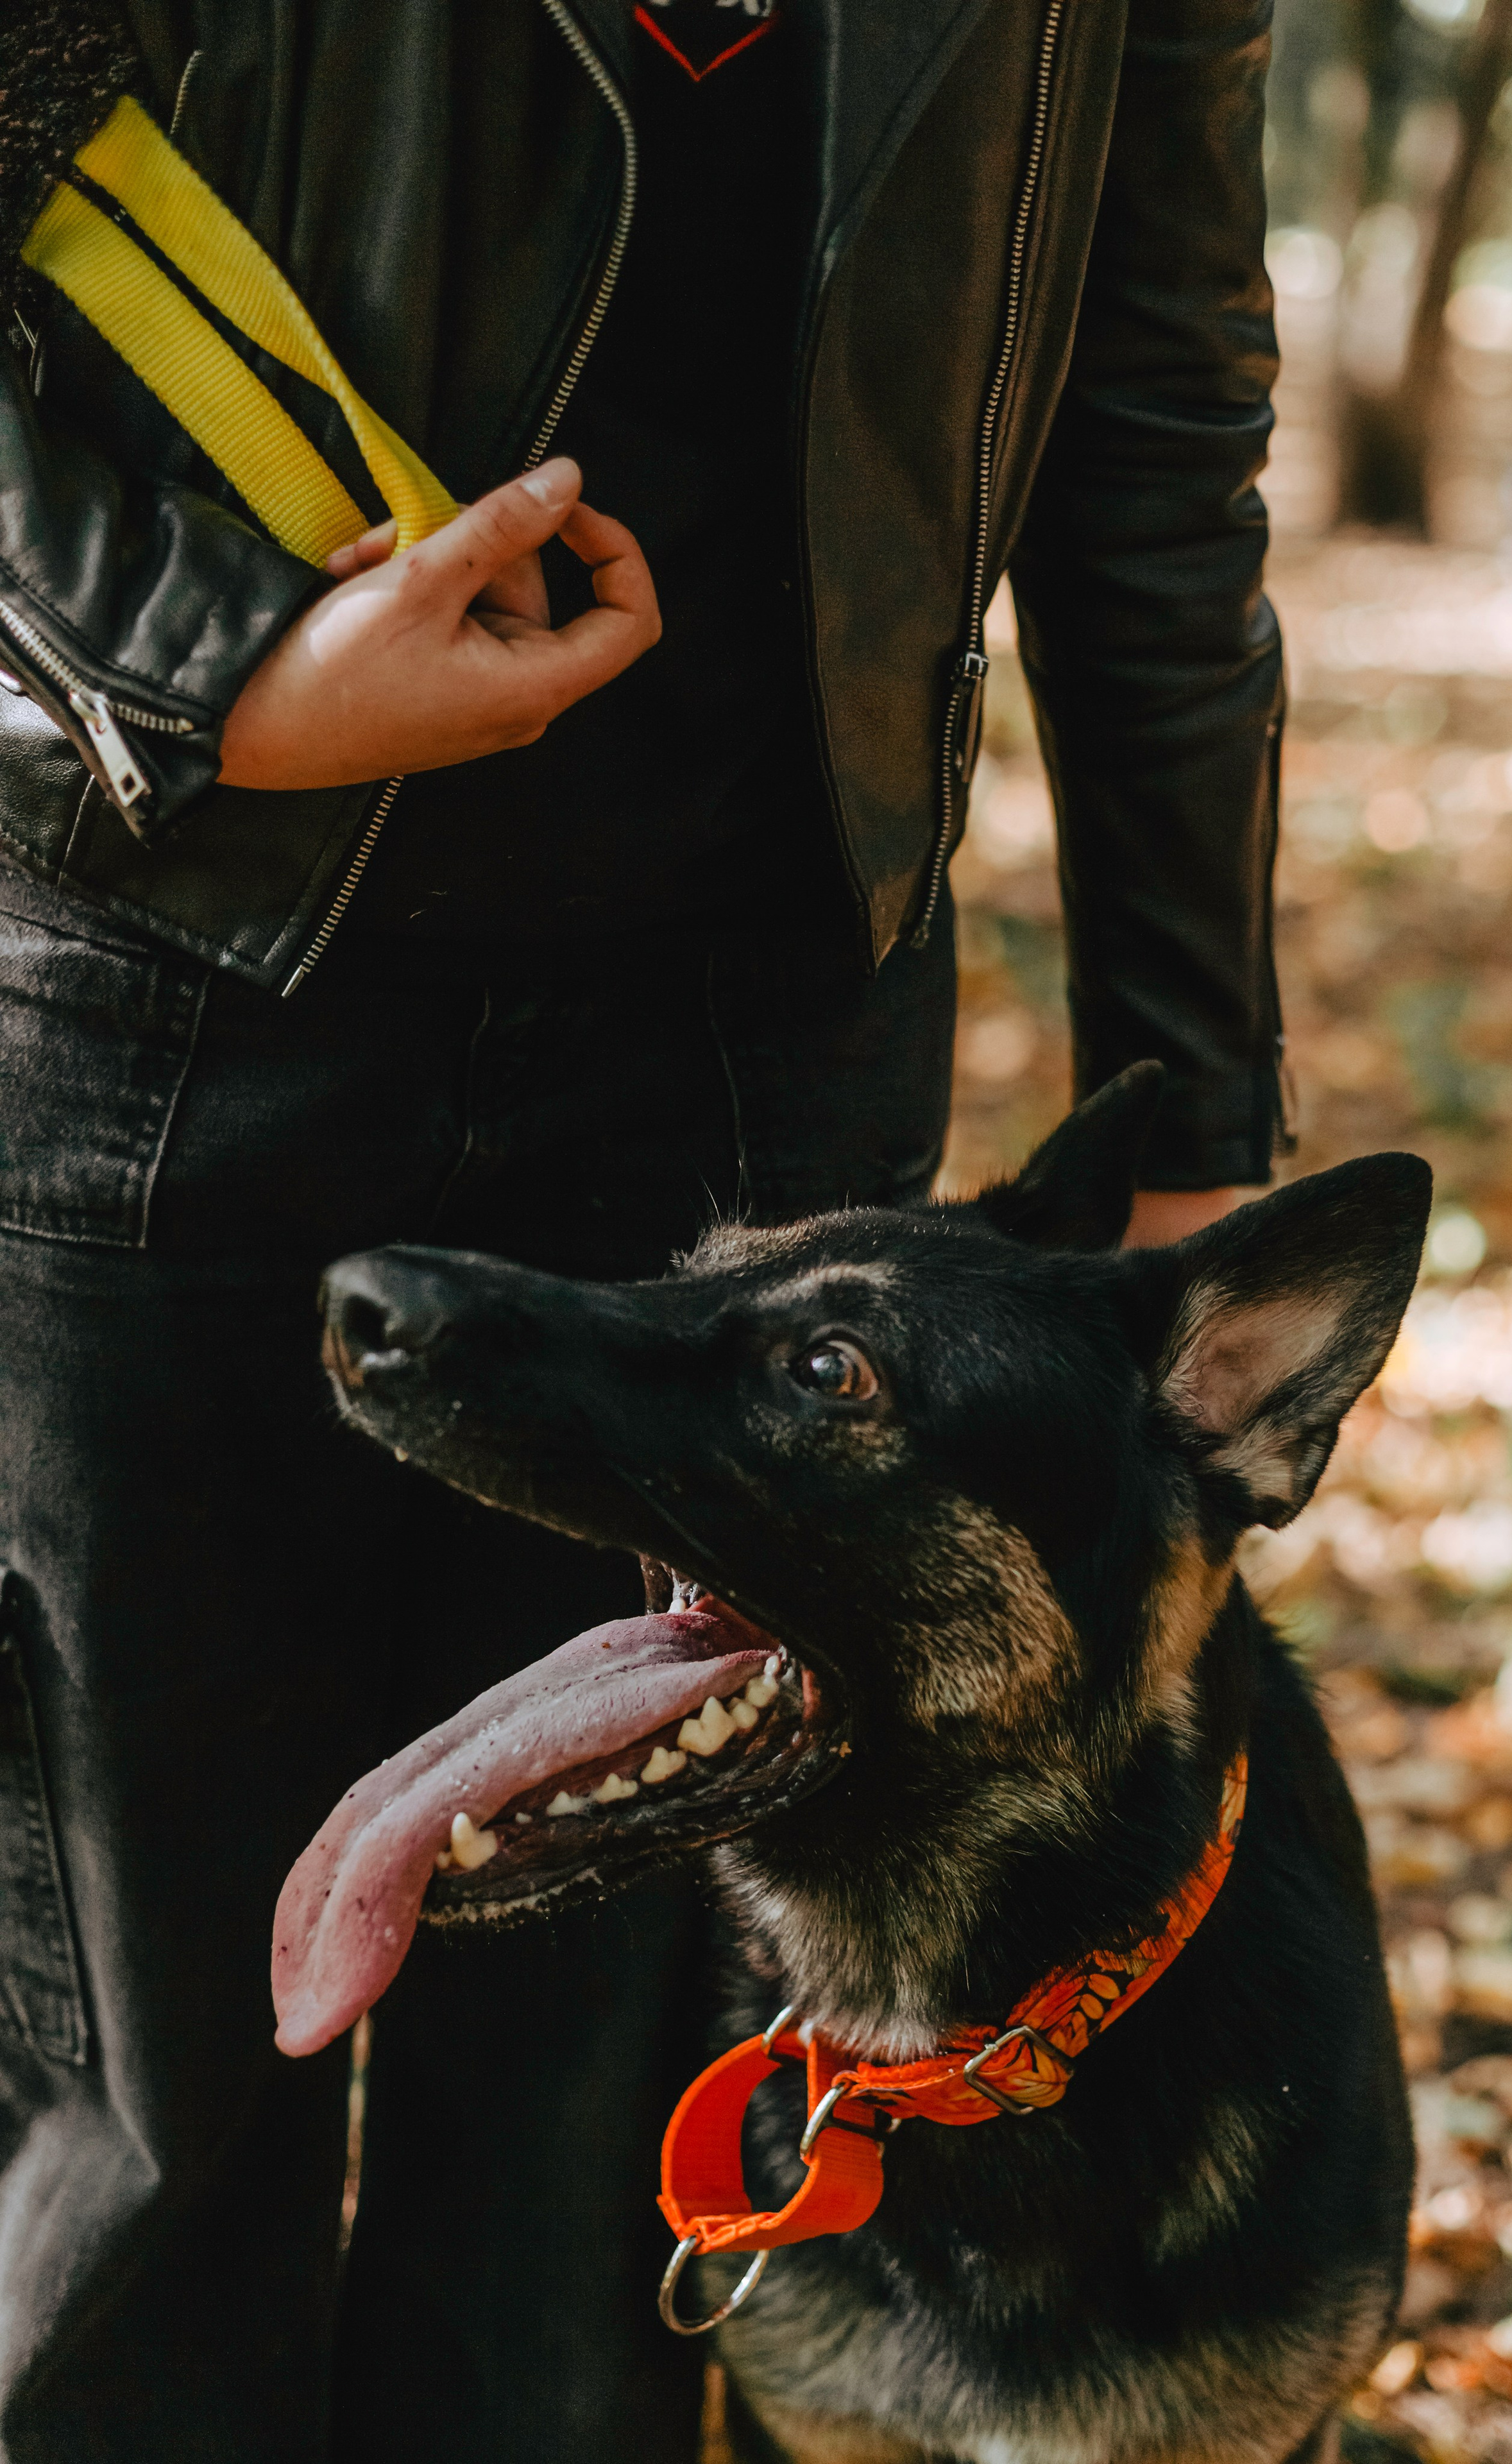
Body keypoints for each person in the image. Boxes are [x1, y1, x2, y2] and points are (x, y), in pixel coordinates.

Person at [0, 0, 1289, 2453]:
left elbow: (1151, 417)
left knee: (605, 2184)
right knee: (139, 2130)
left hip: (759, 1091)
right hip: (176, 997)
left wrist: (1202, 1084)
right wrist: (206, 680)